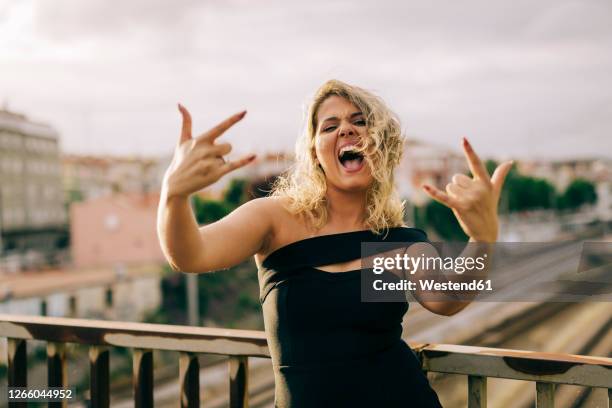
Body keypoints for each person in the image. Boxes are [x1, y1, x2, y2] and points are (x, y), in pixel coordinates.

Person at [157, 79, 512, 407]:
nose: (346, 129)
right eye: (329, 126)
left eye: (360, 122)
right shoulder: (273, 219)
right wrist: (173, 196)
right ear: (314, 151)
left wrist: (484, 238)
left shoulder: (402, 242)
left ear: (382, 146)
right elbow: (190, 254)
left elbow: (447, 300)